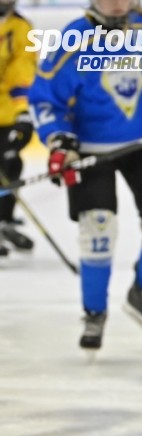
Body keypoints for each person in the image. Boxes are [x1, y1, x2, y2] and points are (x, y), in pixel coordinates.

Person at [29, 0, 142, 353]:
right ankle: (94, 312)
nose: (117, 3)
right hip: (90, 150)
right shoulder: (72, 42)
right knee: (98, 229)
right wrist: (60, 142)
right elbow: (46, 101)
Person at [0, 0, 37, 258]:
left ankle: (3, 221)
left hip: (6, 114)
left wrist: (24, 112)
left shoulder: (22, 28)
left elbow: (23, 72)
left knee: (10, 163)